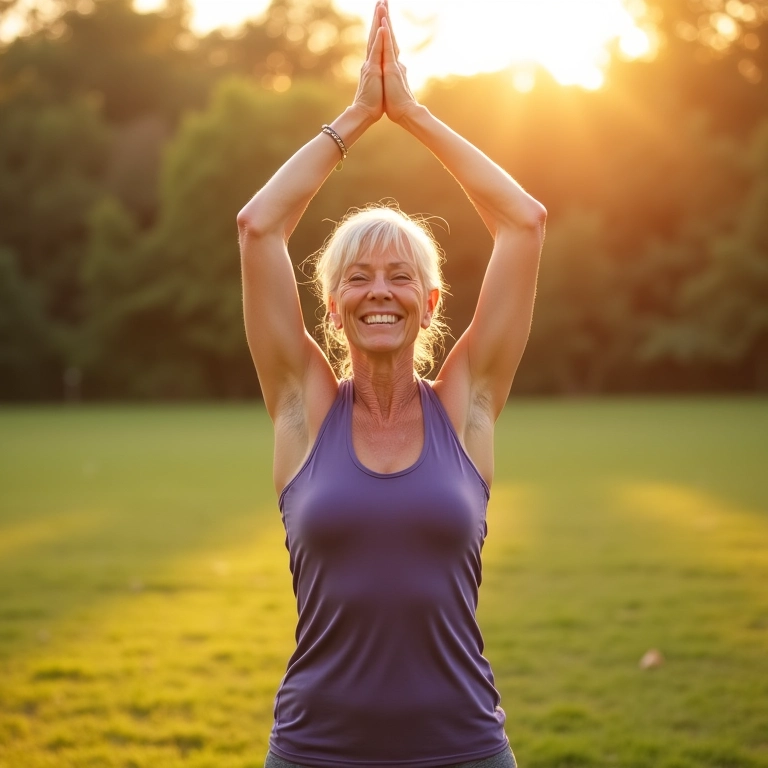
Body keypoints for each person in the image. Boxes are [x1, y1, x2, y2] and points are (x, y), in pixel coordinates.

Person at [237, 2, 546, 766]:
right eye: (359, 278)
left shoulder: (467, 405)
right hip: (317, 749)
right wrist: (354, 118)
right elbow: (258, 226)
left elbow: (525, 223)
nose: (381, 291)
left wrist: (409, 113)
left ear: (430, 302)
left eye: (401, 276)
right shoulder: (301, 413)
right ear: (333, 305)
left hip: (463, 747)